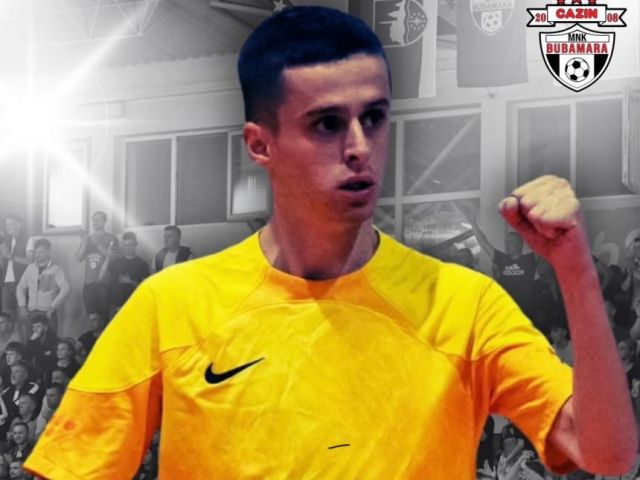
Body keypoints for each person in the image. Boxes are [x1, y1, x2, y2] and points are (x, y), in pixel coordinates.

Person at [24, 6, 636, 479]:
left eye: (374, 117)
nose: (360, 147)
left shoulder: (464, 306)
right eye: (327, 124)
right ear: (260, 144)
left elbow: (607, 455)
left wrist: (576, 272)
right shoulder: (172, 306)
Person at [16, 239, 70, 338]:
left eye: (41, 252)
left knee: (50, 342)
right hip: (32, 313)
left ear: (48, 252)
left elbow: (66, 288)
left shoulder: (56, 269)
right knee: (31, 342)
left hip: (48, 314)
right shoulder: (30, 268)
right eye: (36, 252)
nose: (38, 255)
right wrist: (22, 306)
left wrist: (53, 307)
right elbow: (20, 287)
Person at [75, 211, 118, 319]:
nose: (95, 222)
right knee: (91, 319)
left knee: (104, 319)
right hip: (88, 285)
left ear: (104, 221)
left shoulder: (111, 238)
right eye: (93, 219)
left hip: (104, 284)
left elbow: (112, 258)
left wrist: (96, 242)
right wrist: (85, 241)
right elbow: (79, 258)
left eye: (98, 219)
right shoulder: (88, 239)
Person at [98, 232, 149, 314]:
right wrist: (108, 256)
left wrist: (130, 281)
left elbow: (146, 289)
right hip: (115, 309)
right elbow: (100, 277)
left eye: (130, 245)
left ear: (136, 244)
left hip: (133, 308)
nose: (127, 248)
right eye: (125, 245)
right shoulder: (117, 262)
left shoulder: (142, 264)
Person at [0, 217, 33, 337]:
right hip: (6, 284)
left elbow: (30, 261)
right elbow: (2, 264)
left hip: (21, 284)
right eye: (6, 224)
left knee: (23, 319)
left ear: (19, 224)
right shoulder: (6, 241)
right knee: (6, 319)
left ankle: (24, 346)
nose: (8, 227)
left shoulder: (28, 239)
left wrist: (10, 256)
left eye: (11, 224)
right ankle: (8, 346)